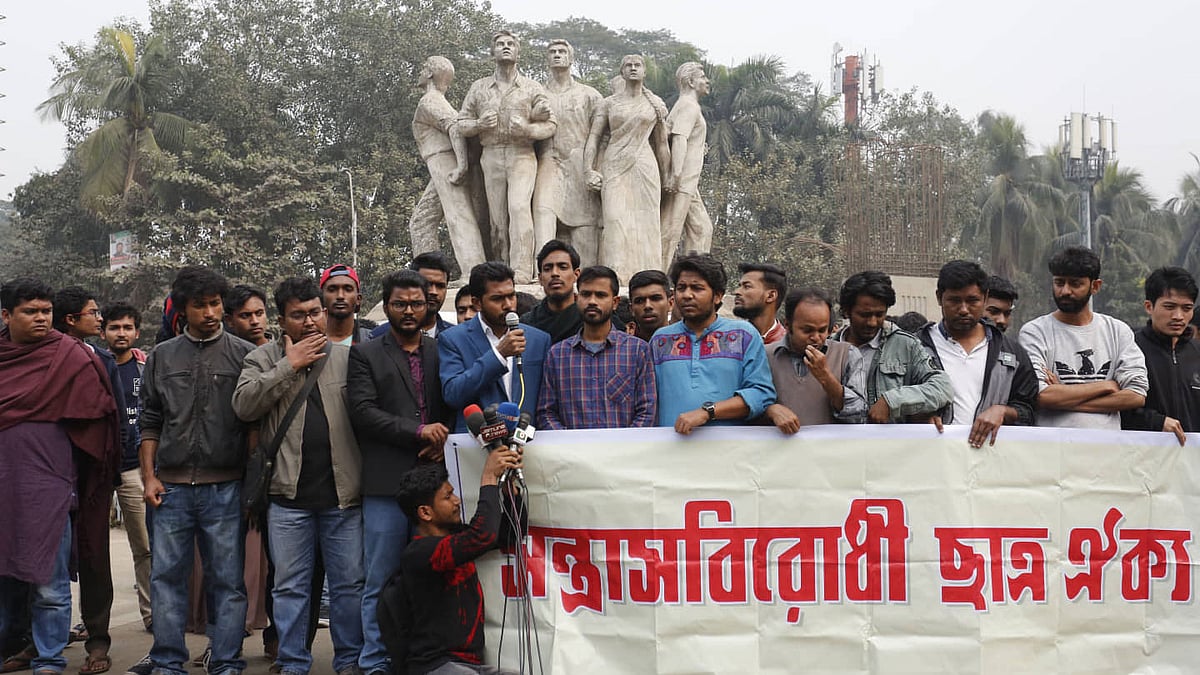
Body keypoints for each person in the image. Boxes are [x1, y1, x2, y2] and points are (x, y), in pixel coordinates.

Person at [232, 277, 365, 675]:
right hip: (287, 500)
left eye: (315, 313)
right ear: (281, 319)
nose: (309, 322)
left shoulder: (349, 356)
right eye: (298, 315)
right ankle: (292, 662)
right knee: (289, 588)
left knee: (348, 588)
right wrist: (289, 365)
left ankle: (349, 662)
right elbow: (243, 406)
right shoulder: (262, 358)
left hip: (343, 498)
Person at [0, 278, 120, 675]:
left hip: (50, 487)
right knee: (7, 577)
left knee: (50, 583)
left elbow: (100, 415)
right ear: (6, 315)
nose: (40, 319)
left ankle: (50, 658)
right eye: (30, 312)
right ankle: (16, 646)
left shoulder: (70, 355)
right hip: (3, 484)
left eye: (45, 312)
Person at [140, 266, 254, 675]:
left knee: (227, 581)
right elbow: (150, 421)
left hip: (225, 487)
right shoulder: (161, 357)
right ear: (182, 309)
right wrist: (149, 477)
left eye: (215, 303)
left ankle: (226, 661)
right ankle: (168, 662)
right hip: (169, 489)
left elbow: (253, 425)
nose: (209, 312)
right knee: (166, 579)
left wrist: (251, 485)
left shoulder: (244, 355)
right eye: (199, 305)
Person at [347, 271, 453, 675]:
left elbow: (451, 406)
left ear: (429, 305)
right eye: (399, 304)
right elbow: (362, 412)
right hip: (386, 482)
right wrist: (417, 431)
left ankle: (421, 659)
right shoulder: (366, 353)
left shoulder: (442, 350)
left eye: (416, 303)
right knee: (380, 575)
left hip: (434, 481)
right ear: (385, 306)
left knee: (429, 574)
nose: (409, 311)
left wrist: (440, 438)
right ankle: (374, 660)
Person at [392, 453, 522, 675]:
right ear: (425, 512)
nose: (457, 500)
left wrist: (510, 493)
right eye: (448, 496)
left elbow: (511, 534)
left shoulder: (455, 538)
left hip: (471, 665)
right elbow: (483, 535)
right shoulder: (419, 552)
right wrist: (489, 477)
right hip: (435, 666)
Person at [52, 287, 124, 675]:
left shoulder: (102, 360)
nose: (100, 319)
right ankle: (38, 641)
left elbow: (112, 417)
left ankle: (98, 642)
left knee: (95, 559)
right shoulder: (41, 358)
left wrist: (110, 471)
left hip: (93, 474)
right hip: (50, 471)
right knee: (46, 560)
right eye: (93, 313)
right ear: (70, 320)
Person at [458, 30, 557, 280]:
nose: (505, 47)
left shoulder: (532, 87)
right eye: (500, 44)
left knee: (519, 207)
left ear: (518, 51)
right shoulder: (479, 87)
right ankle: (501, 270)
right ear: (492, 52)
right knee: (498, 218)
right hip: (490, 155)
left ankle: (523, 269)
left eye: (510, 44)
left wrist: (527, 129)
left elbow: (551, 125)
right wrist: (479, 124)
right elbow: (461, 124)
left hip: (521, 154)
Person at [1018, 247, 1148, 430]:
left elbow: (1136, 395)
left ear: (1095, 286)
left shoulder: (1117, 331)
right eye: (1059, 282)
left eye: (1075, 284)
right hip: (1052, 451)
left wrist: (1064, 397)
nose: (1065, 291)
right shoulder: (1035, 332)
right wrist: (1106, 386)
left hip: (1106, 452)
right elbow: (1042, 396)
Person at [915, 261, 1038, 447]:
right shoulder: (915, 347)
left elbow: (1029, 409)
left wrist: (1003, 411)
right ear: (939, 298)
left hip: (991, 463)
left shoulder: (1011, 353)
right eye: (954, 300)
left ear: (985, 297)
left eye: (972, 301)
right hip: (934, 461)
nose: (964, 309)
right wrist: (919, 415)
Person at [650, 254, 775, 433]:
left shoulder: (743, 335)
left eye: (697, 288)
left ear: (717, 296)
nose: (687, 295)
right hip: (670, 451)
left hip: (727, 452)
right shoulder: (660, 340)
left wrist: (708, 412)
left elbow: (761, 393)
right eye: (681, 288)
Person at [584, 54, 670, 284]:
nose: (633, 69)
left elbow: (661, 144)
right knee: (614, 221)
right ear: (621, 72)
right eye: (628, 66)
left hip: (644, 165)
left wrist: (668, 175)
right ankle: (616, 278)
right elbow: (593, 138)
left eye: (637, 65)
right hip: (614, 164)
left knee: (647, 223)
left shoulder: (655, 104)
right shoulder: (609, 103)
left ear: (644, 71)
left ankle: (650, 280)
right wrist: (588, 169)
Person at [537, 265, 656, 429]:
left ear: (615, 302)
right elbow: (546, 413)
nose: (592, 301)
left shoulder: (637, 351)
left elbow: (647, 411)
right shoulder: (557, 355)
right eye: (586, 294)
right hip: (571, 453)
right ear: (577, 298)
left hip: (625, 452)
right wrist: (570, 448)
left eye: (600, 295)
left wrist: (624, 449)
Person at [829, 270, 953, 423]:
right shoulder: (827, 350)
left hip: (890, 445)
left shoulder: (905, 345)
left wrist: (893, 401)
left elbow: (942, 387)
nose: (872, 322)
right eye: (864, 315)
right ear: (847, 311)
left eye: (879, 314)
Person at [439, 262, 551, 431]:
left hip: (527, 445)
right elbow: (453, 394)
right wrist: (499, 355)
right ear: (477, 303)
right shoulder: (452, 339)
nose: (508, 305)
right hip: (477, 446)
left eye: (511, 296)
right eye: (497, 299)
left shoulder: (539, 339)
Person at [100, 303, 153, 633]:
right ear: (103, 330)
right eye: (114, 327)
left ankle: (151, 615)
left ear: (136, 331)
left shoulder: (146, 368)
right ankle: (92, 623)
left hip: (136, 467)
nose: (121, 333)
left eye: (127, 327)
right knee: (90, 549)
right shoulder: (95, 365)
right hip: (98, 468)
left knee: (144, 547)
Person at [408, 56, 487, 273]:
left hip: (446, 162)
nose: (420, 71)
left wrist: (461, 165)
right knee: (421, 221)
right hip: (441, 163)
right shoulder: (435, 100)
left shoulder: (429, 101)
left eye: (424, 67)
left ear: (431, 74)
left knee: (458, 216)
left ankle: (473, 272)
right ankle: (428, 275)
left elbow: (454, 127)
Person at [533, 40, 603, 266]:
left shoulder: (589, 95)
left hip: (580, 166)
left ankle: (588, 282)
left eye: (562, 52)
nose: (557, 55)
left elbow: (602, 135)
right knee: (543, 211)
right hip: (548, 162)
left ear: (571, 59)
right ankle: (537, 272)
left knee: (585, 232)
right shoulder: (537, 93)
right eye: (552, 52)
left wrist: (595, 169)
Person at [763, 288, 867, 432]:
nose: (816, 337)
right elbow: (750, 404)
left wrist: (826, 377)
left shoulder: (847, 354)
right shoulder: (765, 355)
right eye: (807, 330)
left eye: (822, 330)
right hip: (777, 451)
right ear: (787, 325)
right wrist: (770, 409)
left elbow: (859, 415)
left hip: (829, 451)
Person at [1121, 266, 1199, 445]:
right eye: (1169, 307)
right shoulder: (1130, 348)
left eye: (1186, 308)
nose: (1178, 316)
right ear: (1149, 306)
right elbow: (1115, 408)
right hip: (1143, 459)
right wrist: (1156, 421)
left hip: (1193, 461)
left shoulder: (1197, 352)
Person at [660, 62, 714, 269]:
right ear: (691, 82)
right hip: (681, 180)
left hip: (689, 182)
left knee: (701, 229)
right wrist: (676, 174)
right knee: (669, 232)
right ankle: (654, 278)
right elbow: (679, 138)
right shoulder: (688, 106)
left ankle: (696, 277)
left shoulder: (689, 106)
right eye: (702, 77)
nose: (706, 81)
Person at [521, 239, 583, 344]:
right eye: (547, 269)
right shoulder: (527, 324)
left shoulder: (590, 318)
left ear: (576, 275)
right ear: (540, 278)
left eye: (562, 267)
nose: (554, 273)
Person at [733, 262, 787, 345]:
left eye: (747, 286)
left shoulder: (787, 345)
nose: (736, 292)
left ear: (770, 296)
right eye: (739, 286)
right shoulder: (729, 338)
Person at [321, 264, 372, 345]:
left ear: (358, 299)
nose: (340, 296)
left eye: (348, 289)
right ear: (321, 298)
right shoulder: (306, 344)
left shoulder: (373, 341)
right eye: (332, 289)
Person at [627, 269, 673, 341]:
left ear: (670, 303)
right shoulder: (622, 348)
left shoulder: (688, 343)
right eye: (639, 301)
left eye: (655, 298)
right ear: (631, 309)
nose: (647, 306)